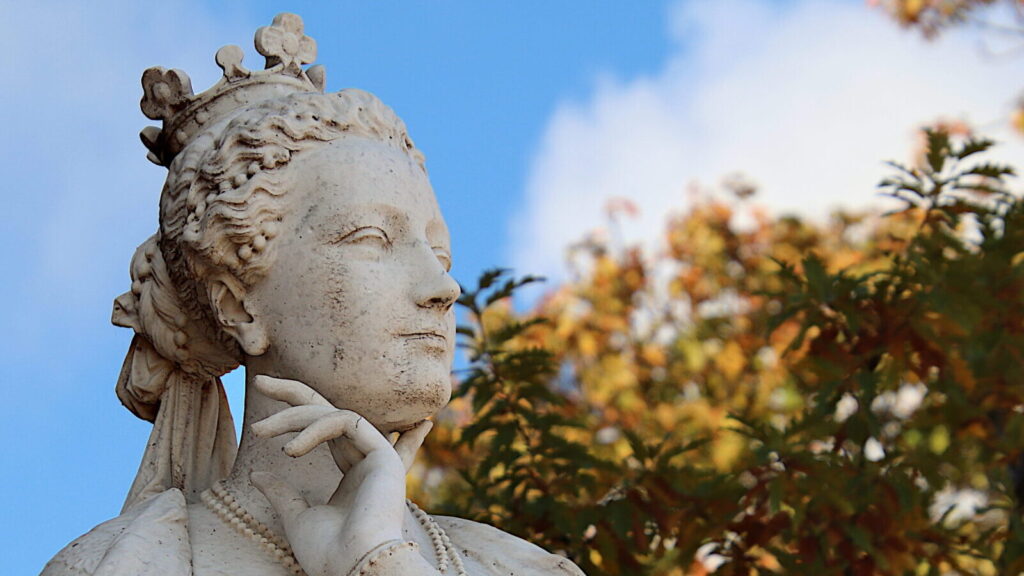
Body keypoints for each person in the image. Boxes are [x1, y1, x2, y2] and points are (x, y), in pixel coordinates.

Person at [42, 13, 584, 576]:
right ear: (237, 305)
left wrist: (380, 560)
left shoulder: (520, 566)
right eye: (372, 239)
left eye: (439, 254)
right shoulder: (132, 564)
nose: (444, 287)